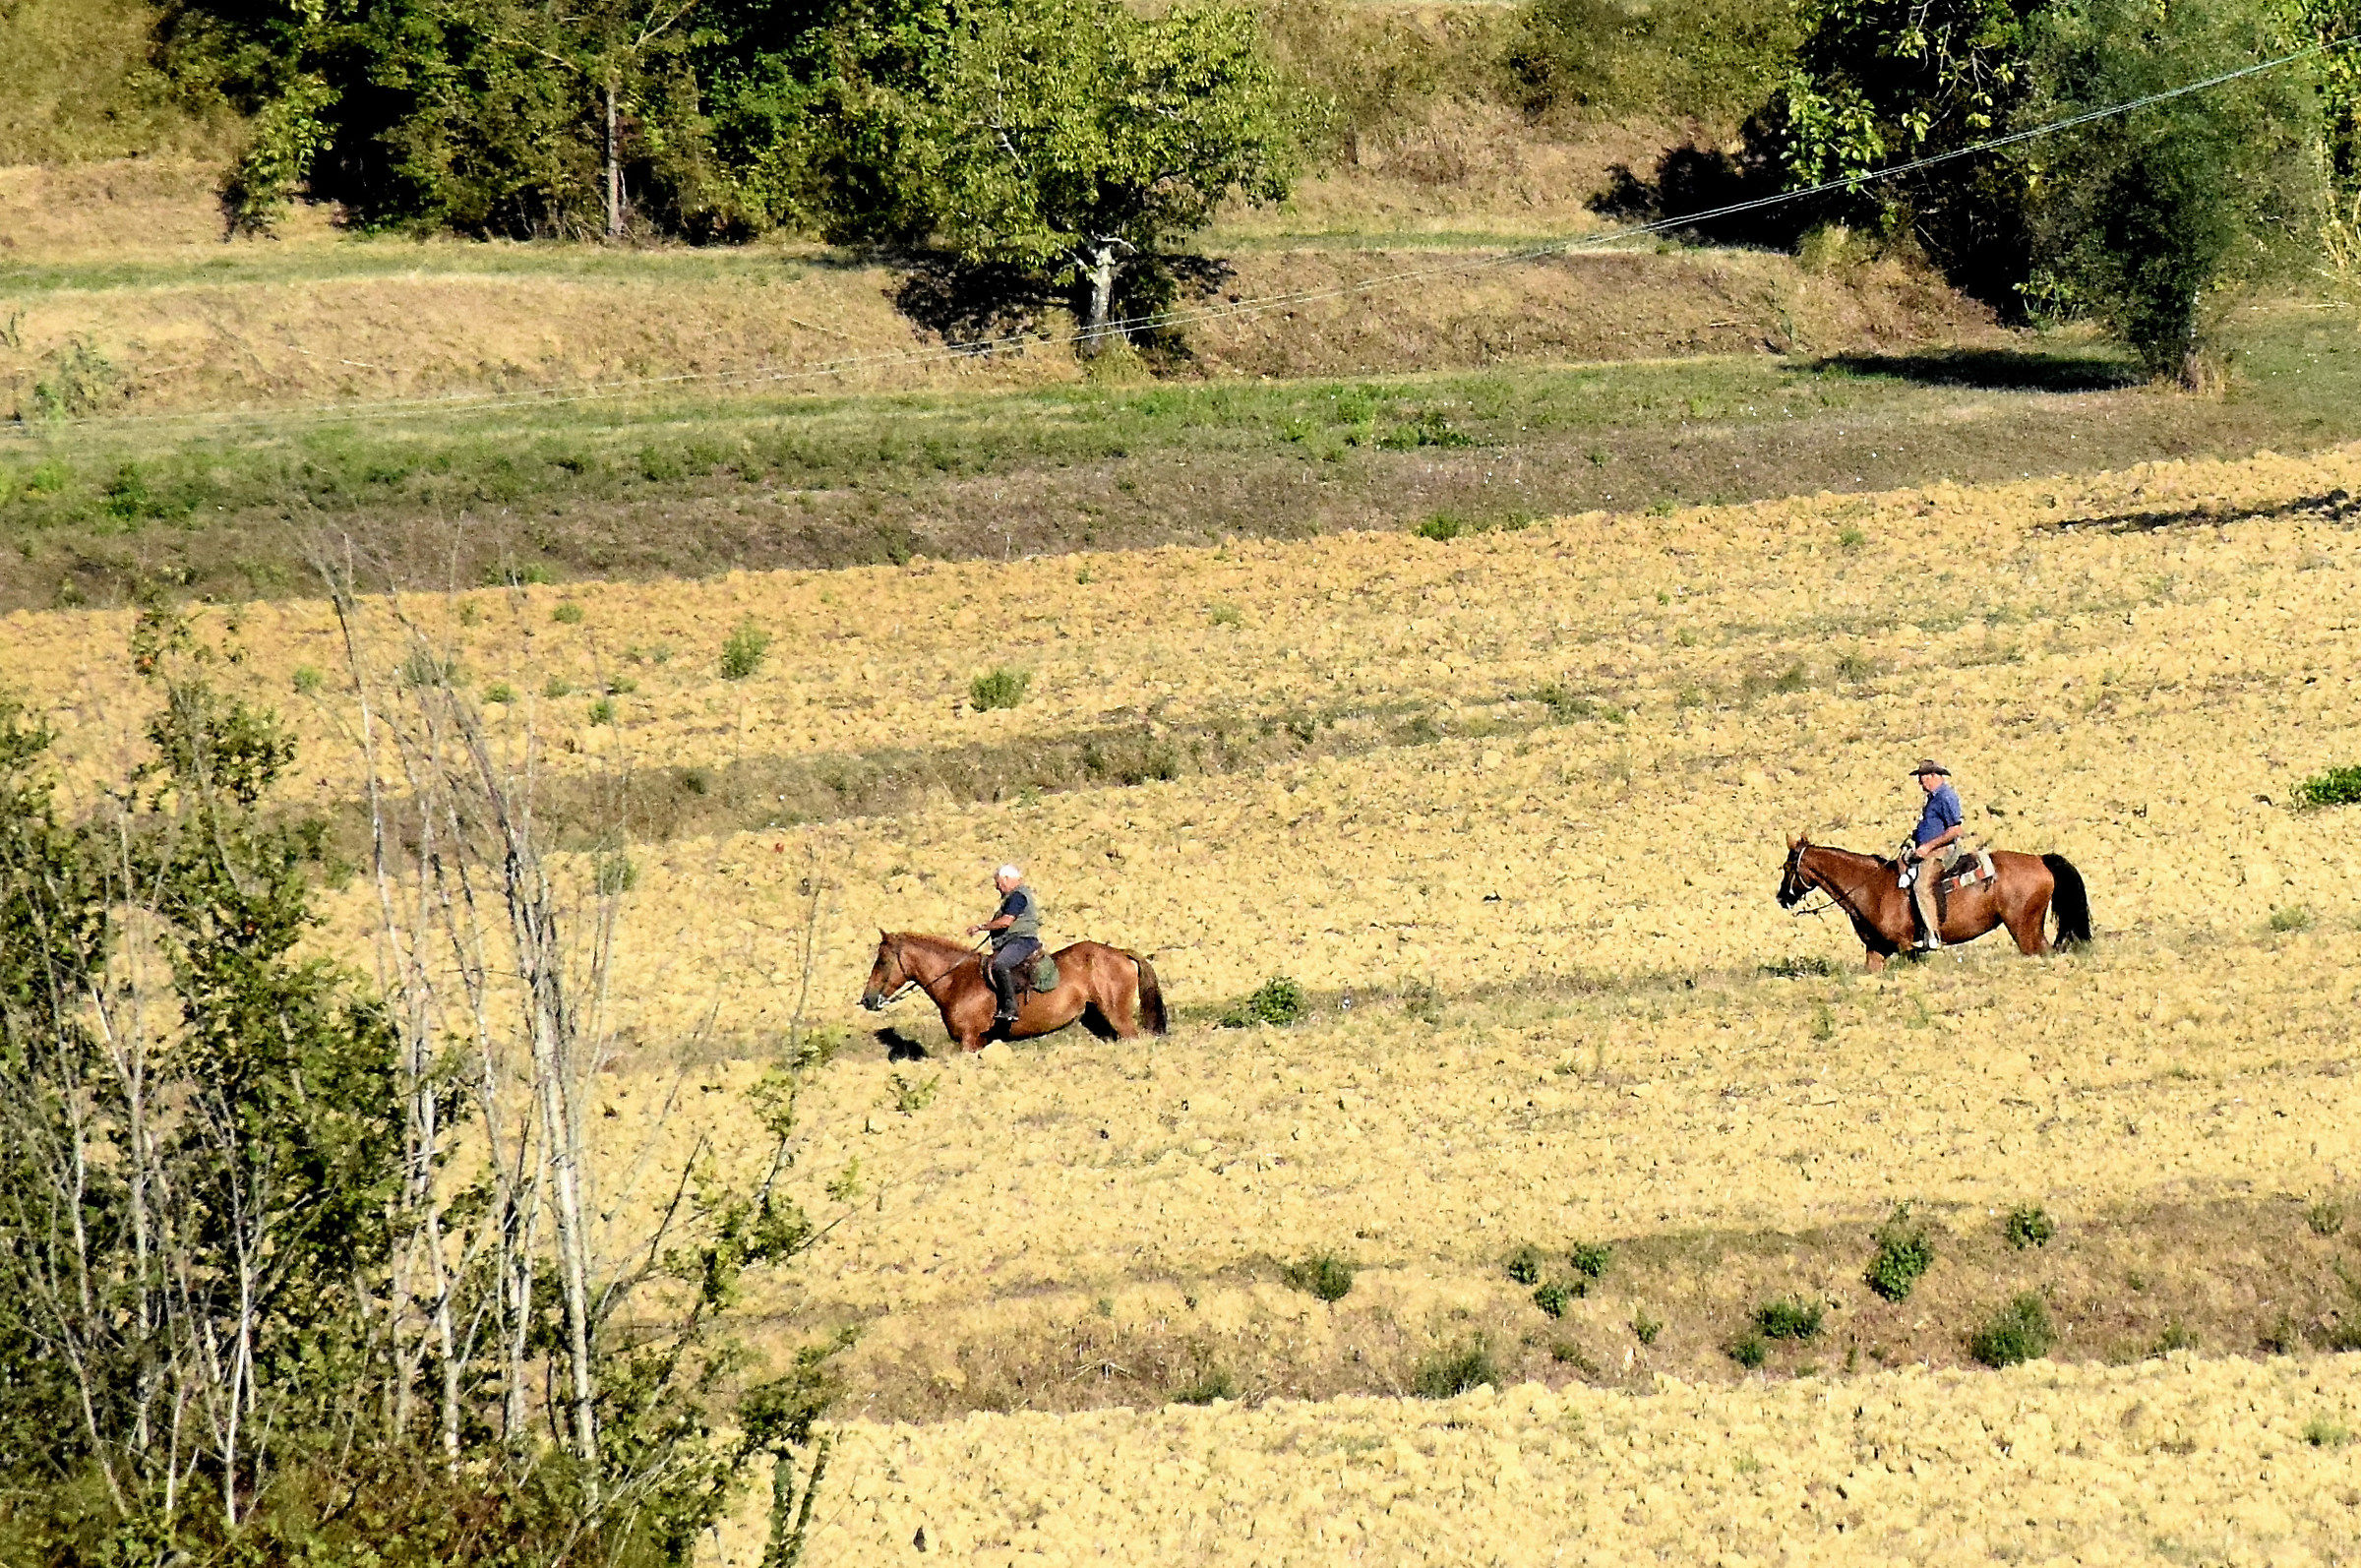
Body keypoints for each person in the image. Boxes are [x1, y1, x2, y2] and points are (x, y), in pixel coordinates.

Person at [968, 863, 1043, 1028]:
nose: (997, 887)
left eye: (998, 883)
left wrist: (981, 927)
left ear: (1007, 879)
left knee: (1000, 965)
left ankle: (1011, 1008)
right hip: (1015, 941)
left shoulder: (1017, 896)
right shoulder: (1015, 896)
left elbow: (1006, 921)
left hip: (1022, 941)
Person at [1904, 758, 1967, 950]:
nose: (1920, 783)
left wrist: (1927, 847)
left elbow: (1955, 830)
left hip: (1941, 850)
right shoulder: (1932, 798)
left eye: (1921, 778)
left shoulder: (1946, 797)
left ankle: (1933, 934)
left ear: (1932, 776)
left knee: (1921, 886)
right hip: (1927, 848)